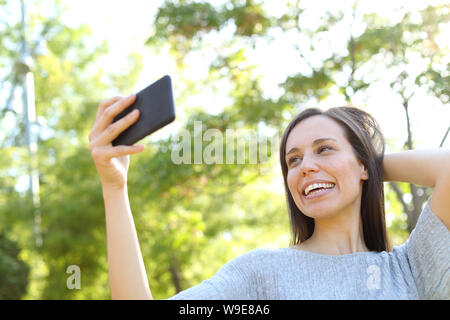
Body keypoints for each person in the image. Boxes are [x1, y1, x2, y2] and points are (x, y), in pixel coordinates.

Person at [88, 94, 450, 300]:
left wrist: (369, 165)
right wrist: (114, 189)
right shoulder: (261, 274)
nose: (305, 166)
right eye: (293, 160)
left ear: (363, 164)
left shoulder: (409, 269)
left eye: (324, 150)